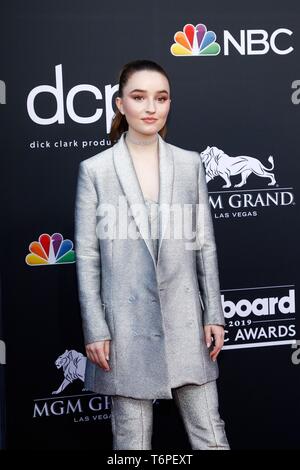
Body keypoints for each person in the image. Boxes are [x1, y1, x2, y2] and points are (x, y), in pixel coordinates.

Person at [74, 59, 230, 450]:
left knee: (210, 434)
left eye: (160, 98)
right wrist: (96, 328)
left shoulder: (190, 163)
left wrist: (214, 313)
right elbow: (88, 258)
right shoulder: (96, 171)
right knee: (131, 443)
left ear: (169, 104)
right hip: (125, 330)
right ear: (120, 104)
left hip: (186, 324)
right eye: (139, 97)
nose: (150, 108)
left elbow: (204, 245)